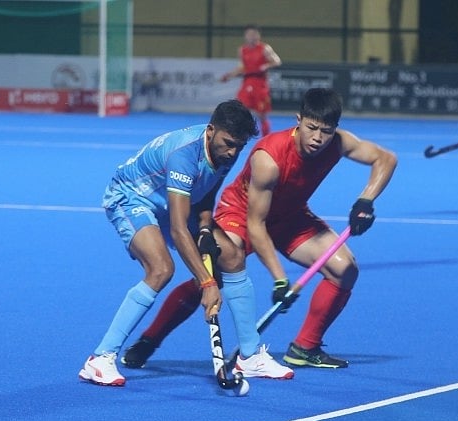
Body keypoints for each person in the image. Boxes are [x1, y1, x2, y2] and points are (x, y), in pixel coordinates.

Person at [124, 88, 397, 370]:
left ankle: (305, 347)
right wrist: (280, 279)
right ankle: (150, 340)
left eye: (326, 131)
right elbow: (256, 225)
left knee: (345, 269)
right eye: (311, 128)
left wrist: (366, 200)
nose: (317, 138)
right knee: (213, 275)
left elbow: (386, 159)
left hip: (290, 216)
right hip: (242, 215)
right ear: (299, 120)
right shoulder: (269, 156)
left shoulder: (339, 142)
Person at [80, 99, 293, 387]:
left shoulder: (225, 151)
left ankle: (250, 356)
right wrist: (207, 283)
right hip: (132, 197)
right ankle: (100, 358)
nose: (233, 152)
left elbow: (205, 195)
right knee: (161, 268)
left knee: (232, 256)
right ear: (210, 131)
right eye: (229, 144)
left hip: (176, 202)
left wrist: (205, 229)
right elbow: (179, 230)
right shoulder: (184, 154)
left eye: (239, 147)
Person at [221, 25, 282, 137]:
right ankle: (238, 135)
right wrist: (229, 76)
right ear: (245, 36)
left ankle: (266, 138)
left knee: (262, 114)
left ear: (258, 35)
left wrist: (266, 65)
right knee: (239, 108)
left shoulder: (264, 48)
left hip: (260, 83)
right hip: (247, 82)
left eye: (254, 34)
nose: (251, 37)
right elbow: (241, 67)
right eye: (249, 34)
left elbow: (277, 61)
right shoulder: (242, 50)